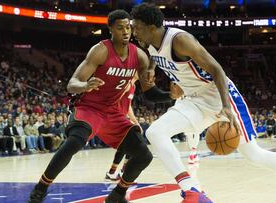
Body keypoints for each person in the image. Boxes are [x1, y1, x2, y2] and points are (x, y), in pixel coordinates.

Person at [131, 3, 276, 203]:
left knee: (253, 154)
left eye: (137, 27)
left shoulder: (181, 40)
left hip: (220, 96)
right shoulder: (148, 42)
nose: (134, 32)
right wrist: (150, 68)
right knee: (155, 132)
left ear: (152, 27)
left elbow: (217, 70)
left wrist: (226, 106)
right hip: (194, 100)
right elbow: (155, 53)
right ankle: (192, 190)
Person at [28, 10, 176, 203]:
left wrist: (171, 96)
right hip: (90, 108)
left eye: (128, 27)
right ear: (110, 30)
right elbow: (72, 83)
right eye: (120, 28)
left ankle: (117, 195)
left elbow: (150, 94)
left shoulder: (139, 56)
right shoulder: (101, 50)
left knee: (144, 155)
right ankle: (40, 189)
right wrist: (85, 85)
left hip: (113, 112)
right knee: (74, 142)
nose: (126, 32)